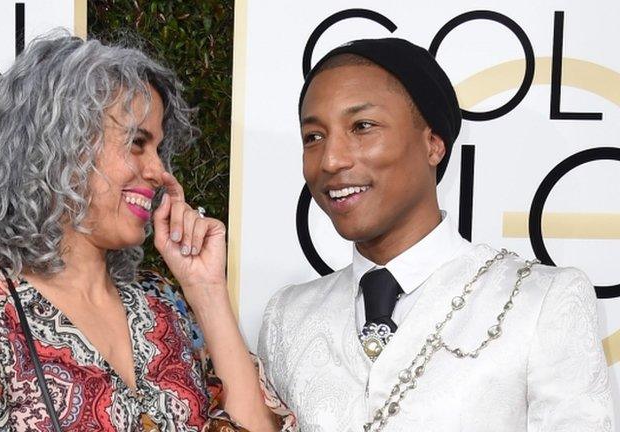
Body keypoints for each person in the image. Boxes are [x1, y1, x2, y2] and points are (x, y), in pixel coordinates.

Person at [0, 34, 289, 431]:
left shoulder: (163, 306)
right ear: (62, 148)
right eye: (137, 143)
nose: (158, 170)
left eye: (158, 149)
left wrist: (205, 289)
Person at [258, 38, 613, 431]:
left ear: (433, 144)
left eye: (362, 126)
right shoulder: (287, 317)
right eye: (314, 136)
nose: (331, 159)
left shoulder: (542, 301)